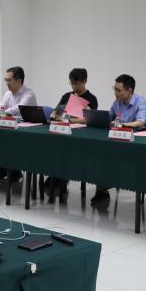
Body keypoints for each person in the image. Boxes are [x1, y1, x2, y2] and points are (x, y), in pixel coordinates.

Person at [92, 74, 146, 203]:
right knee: (100, 152)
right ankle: (102, 190)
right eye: (114, 89)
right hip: (118, 140)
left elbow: (140, 122)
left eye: (118, 90)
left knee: (109, 156)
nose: (115, 93)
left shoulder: (141, 102)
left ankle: (107, 184)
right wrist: (97, 118)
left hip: (137, 143)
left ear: (129, 90)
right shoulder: (117, 102)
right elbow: (109, 117)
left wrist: (123, 125)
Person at [46, 68, 98, 200]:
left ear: (84, 81)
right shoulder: (67, 96)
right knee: (51, 146)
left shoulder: (91, 99)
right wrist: (56, 115)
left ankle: (61, 178)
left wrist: (68, 119)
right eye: (72, 83)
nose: (74, 87)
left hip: (80, 137)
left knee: (65, 150)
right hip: (62, 132)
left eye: (77, 83)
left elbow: (88, 120)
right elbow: (55, 113)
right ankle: (54, 176)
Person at [0, 67, 37, 182]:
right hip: (10, 128)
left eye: (9, 80)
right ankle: (5, 172)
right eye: (5, 80)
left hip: (25, 132)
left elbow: (15, 110)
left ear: (19, 81)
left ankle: (14, 173)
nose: (6, 83)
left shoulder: (29, 94)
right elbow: (2, 107)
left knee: (5, 143)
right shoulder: (8, 94)